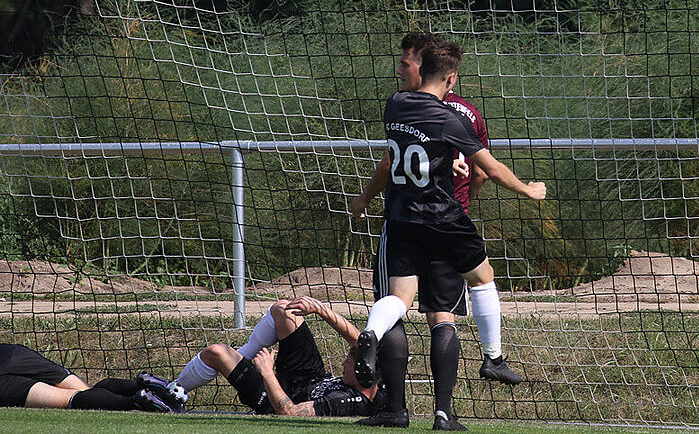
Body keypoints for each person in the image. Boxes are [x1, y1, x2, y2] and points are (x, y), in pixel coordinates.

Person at [351, 39, 546, 427]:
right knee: (482, 278)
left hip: (402, 218)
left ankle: (371, 335)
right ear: (452, 77)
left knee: (399, 300)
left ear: (421, 71)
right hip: (444, 219)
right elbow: (488, 169)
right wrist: (527, 189)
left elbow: (401, 155)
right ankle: (492, 358)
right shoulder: (451, 118)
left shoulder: (394, 105)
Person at [167, 296, 381, 417]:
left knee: (217, 352)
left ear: (363, 371)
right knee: (286, 309)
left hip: (277, 397)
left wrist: (267, 373)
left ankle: (173, 391)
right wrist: (320, 309)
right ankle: (243, 355)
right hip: (309, 376)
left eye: (350, 361)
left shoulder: (345, 402)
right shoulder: (375, 376)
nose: (344, 361)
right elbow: (358, 340)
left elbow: (289, 413)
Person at [0, 343, 179, 412]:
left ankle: (136, 401)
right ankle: (141, 385)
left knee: (69, 399)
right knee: (89, 391)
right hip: (10, 352)